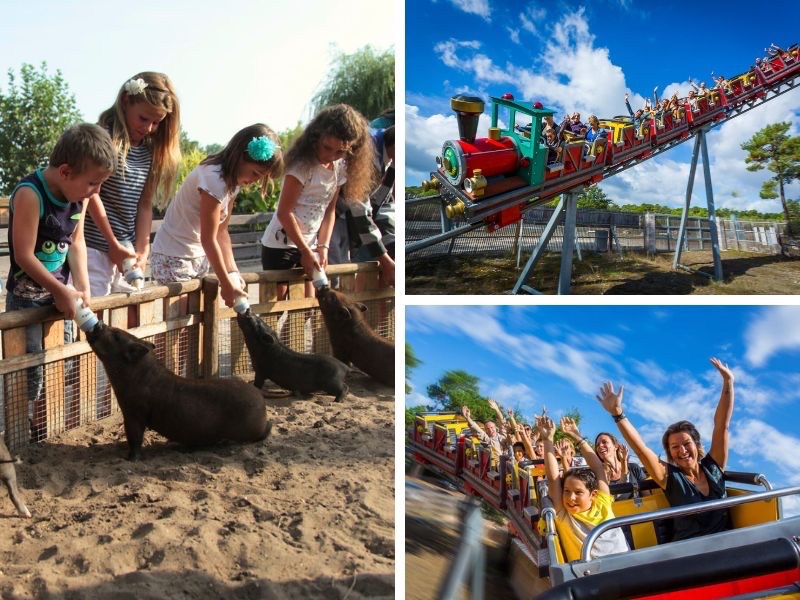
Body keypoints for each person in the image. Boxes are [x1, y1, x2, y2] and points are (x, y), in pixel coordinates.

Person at [5, 123, 116, 438]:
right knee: (30, 371)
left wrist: (82, 285)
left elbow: (76, 242)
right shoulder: (30, 194)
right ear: (66, 172)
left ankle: (42, 428)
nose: (95, 192)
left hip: (61, 294)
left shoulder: (79, 197)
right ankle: (21, 429)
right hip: (28, 297)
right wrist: (60, 290)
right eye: (92, 183)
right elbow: (24, 255)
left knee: (59, 362)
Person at [596, 357, 735, 542]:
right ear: (670, 453)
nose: (682, 450)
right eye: (675, 447)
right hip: (691, 552)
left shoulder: (714, 466)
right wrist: (617, 414)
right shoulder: (670, 478)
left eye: (686, 444)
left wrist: (728, 382)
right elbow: (641, 449)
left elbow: (721, 426)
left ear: (696, 445)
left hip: (728, 545)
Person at [150, 124, 284, 307]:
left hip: (196, 256)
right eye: (255, 173)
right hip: (173, 255)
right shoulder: (213, 179)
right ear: (240, 157)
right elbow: (209, 238)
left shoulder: (233, 183)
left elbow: (222, 232)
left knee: (194, 321)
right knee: (180, 323)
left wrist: (232, 272)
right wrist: (227, 285)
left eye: (260, 177)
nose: (255, 180)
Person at [260, 104, 374, 298]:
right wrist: (305, 250)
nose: (330, 156)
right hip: (282, 246)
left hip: (313, 246)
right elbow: (284, 212)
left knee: (309, 309)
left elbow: (329, 211)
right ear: (316, 137)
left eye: (340, 152)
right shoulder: (301, 166)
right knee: (275, 308)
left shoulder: (339, 168)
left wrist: (323, 247)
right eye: (326, 147)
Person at [83, 72, 181, 296]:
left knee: (134, 312)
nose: (148, 128)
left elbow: (144, 205)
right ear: (126, 101)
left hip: (126, 250)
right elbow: (90, 193)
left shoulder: (149, 150)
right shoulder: (103, 139)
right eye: (143, 119)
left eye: (156, 123)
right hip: (95, 247)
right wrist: (111, 243)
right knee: (96, 315)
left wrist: (142, 250)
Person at [539, 415, 629, 561]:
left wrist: (577, 436)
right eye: (566, 491)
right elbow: (553, 478)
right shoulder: (564, 513)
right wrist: (547, 440)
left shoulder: (602, 503)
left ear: (593, 494)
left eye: (578, 492)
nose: (571, 498)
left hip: (627, 564)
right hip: (592, 575)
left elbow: (598, 469)